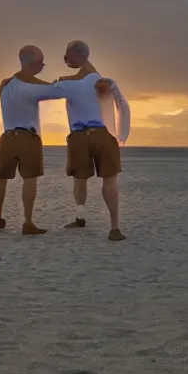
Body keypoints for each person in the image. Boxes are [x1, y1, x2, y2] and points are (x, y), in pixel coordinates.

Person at [56, 40, 130, 241]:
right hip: (89, 135)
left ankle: (113, 226)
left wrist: (122, 134)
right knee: (82, 178)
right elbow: (122, 104)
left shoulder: (101, 82)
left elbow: (122, 105)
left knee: (104, 179)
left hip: (96, 134)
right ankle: (87, 219)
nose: (65, 59)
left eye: (68, 55)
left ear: (80, 56)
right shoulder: (85, 82)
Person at [0, 45, 64, 234]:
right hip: (27, 137)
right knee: (30, 179)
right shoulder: (30, 87)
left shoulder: (6, 85)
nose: (43, 65)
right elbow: (55, 90)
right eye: (41, 62)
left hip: (7, 136)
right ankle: (28, 221)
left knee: (1, 177)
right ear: (32, 63)